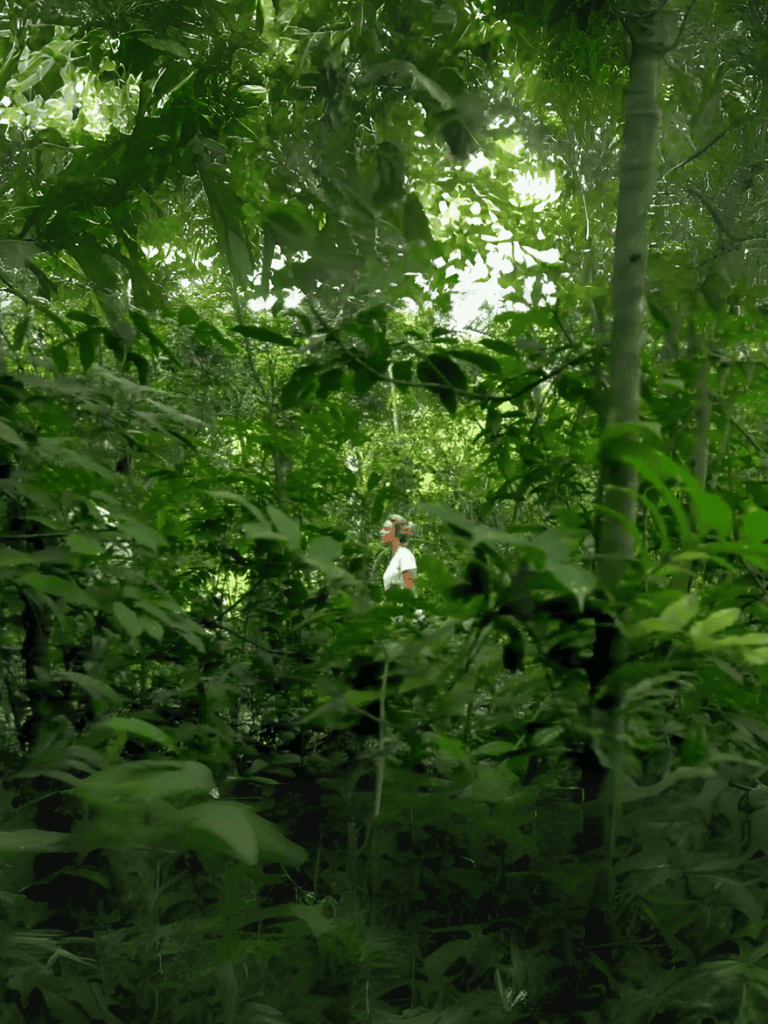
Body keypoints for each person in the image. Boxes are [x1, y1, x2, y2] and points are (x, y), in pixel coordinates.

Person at [380, 514, 417, 591]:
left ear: (397, 533)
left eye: (386, 529)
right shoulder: (395, 557)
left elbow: (411, 588)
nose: (381, 532)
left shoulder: (404, 555)